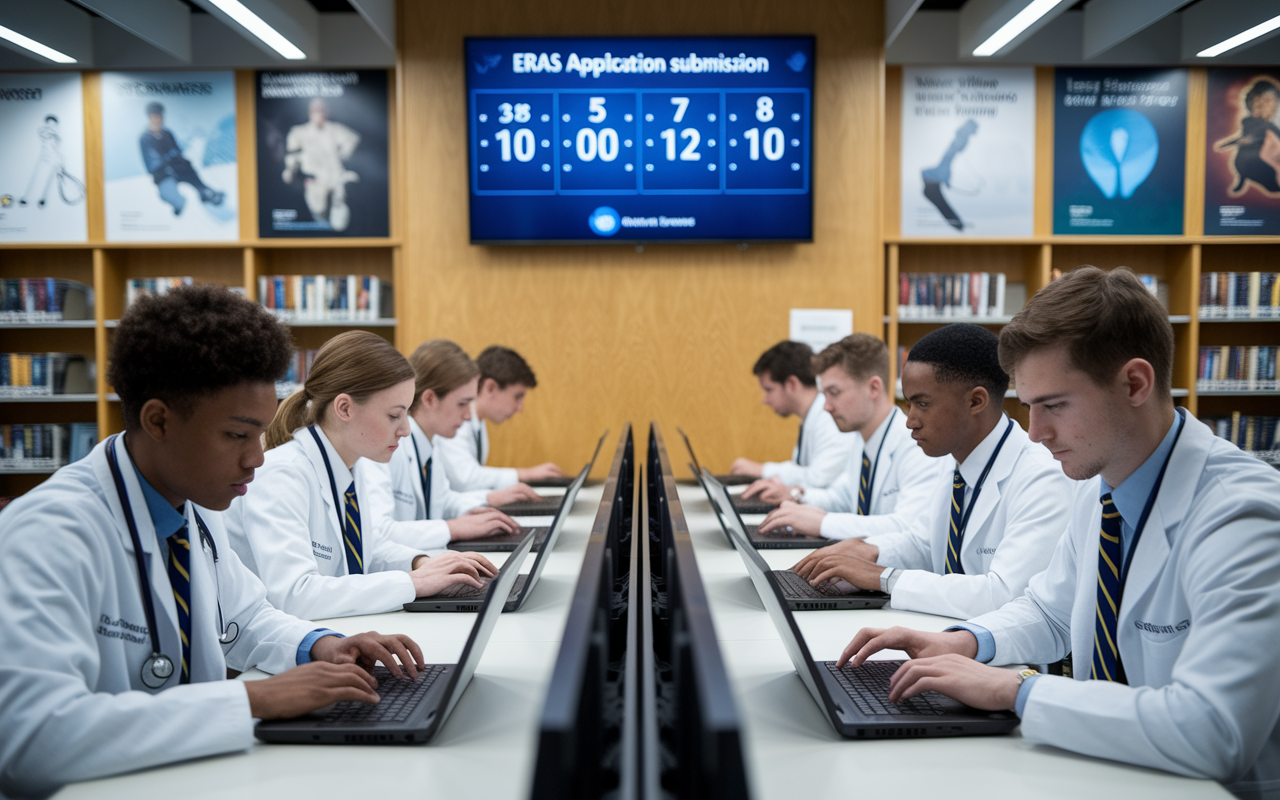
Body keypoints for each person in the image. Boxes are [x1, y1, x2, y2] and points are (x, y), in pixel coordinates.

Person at [840, 268, 1280, 798]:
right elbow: (1049, 609)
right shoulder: (1106, 483)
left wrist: (1017, 688)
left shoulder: (1244, 515)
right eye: (1029, 407)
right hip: (1107, 764)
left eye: (1054, 405)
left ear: (1135, 383)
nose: (1036, 432)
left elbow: (1212, 731)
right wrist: (960, 641)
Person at [0, 286, 426, 796]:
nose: (258, 459)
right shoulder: (50, 533)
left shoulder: (194, 502)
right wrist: (255, 701)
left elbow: (245, 617)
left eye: (262, 435)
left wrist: (322, 645)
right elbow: (32, 740)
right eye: (236, 436)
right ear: (158, 420)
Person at [794, 323, 1071, 619]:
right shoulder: (954, 460)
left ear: (976, 401)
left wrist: (883, 577)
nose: (910, 421)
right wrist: (867, 551)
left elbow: (1002, 596)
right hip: (943, 634)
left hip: (1004, 658)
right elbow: (924, 541)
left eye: (923, 404)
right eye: (909, 404)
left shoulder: (1043, 477)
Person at [223, 331, 497, 619]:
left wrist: (421, 562)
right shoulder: (283, 475)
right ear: (344, 408)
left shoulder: (352, 464)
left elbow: (367, 547)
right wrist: (412, 583)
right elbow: (296, 595)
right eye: (394, 415)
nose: (405, 429)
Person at [743, 334, 945, 542]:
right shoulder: (862, 439)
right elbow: (842, 496)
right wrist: (797, 497)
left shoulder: (917, 447)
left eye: (834, 393)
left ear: (873, 388)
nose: (826, 406)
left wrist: (822, 523)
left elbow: (907, 528)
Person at [361, 340, 543, 552]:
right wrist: (452, 528)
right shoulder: (384, 448)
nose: (468, 416)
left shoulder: (430, 444)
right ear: (430, 399)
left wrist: (485, 503)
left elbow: (443, 500)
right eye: (462, 404)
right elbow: (378, 532)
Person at [437, 345, 566, 491]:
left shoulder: (478, 423)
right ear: (490, 387)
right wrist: (524, 474)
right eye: (517, 397)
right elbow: (465, 478)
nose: (520, 408)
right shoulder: (456, 421)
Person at [730, 340, 856, 488]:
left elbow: (819, 479)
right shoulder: (810, 417)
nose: (765, 400)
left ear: (791, 384)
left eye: (769, 390)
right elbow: (802, 471)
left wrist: (763, 470)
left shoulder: (830, 417)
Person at [284, 98, 361, 232]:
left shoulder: (333, 129)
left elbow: (352, 138)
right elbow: (292, 155)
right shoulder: (299, 132)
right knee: (318, 211)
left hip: (335, 176)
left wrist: (344, 152)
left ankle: (337, 216)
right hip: (315, 180)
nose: (318, 114)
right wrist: (291, 170)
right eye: (315, 110)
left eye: (321, 110)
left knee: (339, 218)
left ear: (326, 112)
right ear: (309, 112)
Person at [139, 101, 224, 215]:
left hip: (178, 167)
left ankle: (206, 194)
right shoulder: (145, 138)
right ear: (149, 117)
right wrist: (167, 160)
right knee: (173, 197)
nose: (158, 119)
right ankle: (178, 205)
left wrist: (180, 158)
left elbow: (176, 150)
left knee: (191, 173)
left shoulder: (167, 133)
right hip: (162, 173)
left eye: (160, 116)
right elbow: (151, 161)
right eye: (155, 116)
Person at [1217, 78, 1280, 195]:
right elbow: (1246, 138)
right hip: (1252, 163)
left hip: (1242, 162)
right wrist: (1228, 144)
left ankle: (1242, 179)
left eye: (1274, 102)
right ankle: (1246, 179)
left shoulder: (1261, 124)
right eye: (1267, 101)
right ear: (1256, 104)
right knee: (1272, 185)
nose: (1272, 106)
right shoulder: (1256, 124)